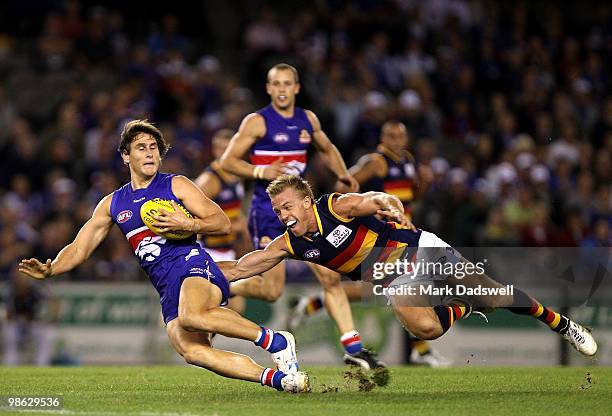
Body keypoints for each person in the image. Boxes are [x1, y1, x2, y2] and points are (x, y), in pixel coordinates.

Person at [18, 120, 309, 393]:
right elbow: (79, 248)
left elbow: (220, 221)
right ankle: (280, 380)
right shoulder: (113, 204)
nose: (149, 153)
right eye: (141, 148)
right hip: (165, 283)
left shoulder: (176, 184)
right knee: (192, 351)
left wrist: (189, 225)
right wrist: (52, 268)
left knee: (193, 314)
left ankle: (276, 341)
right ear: (125, 156)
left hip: (190, 262)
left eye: (154, 147)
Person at [224, 175, 597, 359]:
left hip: (423, 251)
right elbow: (241, 268)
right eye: (277, 211)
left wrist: (386, 201)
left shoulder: (334, 206)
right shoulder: (288, 244)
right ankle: (463, 306)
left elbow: (367, 199)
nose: (282, 215)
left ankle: (562, 324)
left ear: (306, 201)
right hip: (396, 278)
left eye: (288, 206)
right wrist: (194, 270)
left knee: (496, 295)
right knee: (426, 328)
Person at [220, 63, 384, 369]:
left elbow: (327, 146)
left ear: (296, 87)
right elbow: (227, 160)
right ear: (269, 89)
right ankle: (227, 286)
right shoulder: (257, 122)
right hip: (268, 213)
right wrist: (261, 170)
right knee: (271, 290)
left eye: (287, 83)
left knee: (330, 277)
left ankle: (353, 347)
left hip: (306, 212)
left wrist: (343, 174)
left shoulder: (307, 120)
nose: (282, 89)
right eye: (276, 84)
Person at [289, 121, 450, 367]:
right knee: (401, 287)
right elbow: (344, 184)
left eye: (400, 135)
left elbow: (412, 196)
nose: (396, 139)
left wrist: (424, 183)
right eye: (391, 135)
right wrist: (364, 210)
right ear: (382, 138)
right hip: (383, 237)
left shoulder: (407, 160)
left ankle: (313, 303)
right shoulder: (375, 162)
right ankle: (421, 348)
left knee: (395, 290)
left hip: (404, 229)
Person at [195, 129, 251, 313]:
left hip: (227, 250)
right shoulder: (209, 180)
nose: (222, 153)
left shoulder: (237, 175)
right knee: (213, 310)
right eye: (219, 148)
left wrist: (244, 228)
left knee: (234, 309)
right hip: (209, 252)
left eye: (227, 148)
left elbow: (235, 210)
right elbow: (193, 221)